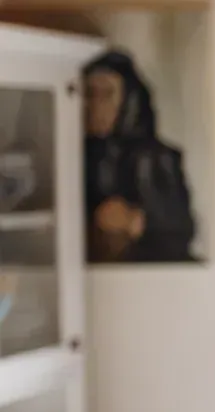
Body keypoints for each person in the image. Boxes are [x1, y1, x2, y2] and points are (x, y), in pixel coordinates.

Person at [82, 50, 197, 262]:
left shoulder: (155, 156)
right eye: (89, 94)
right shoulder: (73, 153)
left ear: (128, 101)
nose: (94, 106)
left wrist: (134, 220)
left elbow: (182, 228)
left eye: (106, 94)